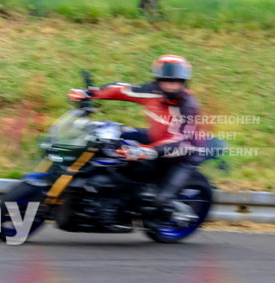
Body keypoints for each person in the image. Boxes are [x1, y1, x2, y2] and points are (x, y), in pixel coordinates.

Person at [76, 54, 201, 215]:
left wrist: (143, 150)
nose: (171, 86)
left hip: (182, 154)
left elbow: (178, 140)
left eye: (176, 81)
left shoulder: (189, 106)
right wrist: (90, 93)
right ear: (158, 80)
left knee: (159, 201)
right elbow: (122, 90)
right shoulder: (152, 91)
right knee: (110, 133)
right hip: (156, 137)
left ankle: (154, 210)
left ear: (184, 82)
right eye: (166, 81)